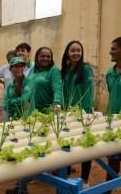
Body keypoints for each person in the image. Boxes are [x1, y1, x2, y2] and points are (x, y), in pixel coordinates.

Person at [61, 41, 94, 187]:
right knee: (67, 144)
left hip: (82, 114)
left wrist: (85, 113)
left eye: (78, 51)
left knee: (86, 147)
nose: (76, 53)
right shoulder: (66, 70)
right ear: (67, 52)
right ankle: (66, 175)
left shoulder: (86, 69)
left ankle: (85, 180)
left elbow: (89, 92)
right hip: (67, 114)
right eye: (73, 50)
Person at [104, 36, 121, 194]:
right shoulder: (110, 72)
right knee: (112, 157)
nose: (110, 52)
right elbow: (112, 93)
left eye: (114, 48)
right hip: (112, 120)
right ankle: (109, 186)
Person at [29, 46, 62, 112]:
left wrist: (57, 105)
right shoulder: (32, 71)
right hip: (32, 111)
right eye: (42, 56)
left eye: (48, 56)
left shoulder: (53, 70)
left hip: (47, 112)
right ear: (37, 57)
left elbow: (58, 89)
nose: (45, 58)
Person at [0, 50, 16, 122]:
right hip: (7, 95)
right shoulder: (5, 68)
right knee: (6, 116)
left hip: (18, 95)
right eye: (8, 59)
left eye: (12, 58)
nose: (10, 60)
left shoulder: (21, 67)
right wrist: (2, 82)